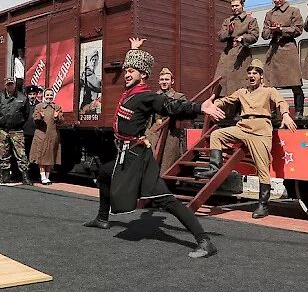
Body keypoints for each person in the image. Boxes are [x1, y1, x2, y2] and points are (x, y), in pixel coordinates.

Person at [83, 38, 226, 259]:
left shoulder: (146, 96)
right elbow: (131, 68)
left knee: (164, 199)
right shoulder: (129, 91)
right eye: (126, 70)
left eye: (132, 71)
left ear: (144, 75)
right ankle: (103, 218)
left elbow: (171, 106)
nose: (127, 74)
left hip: (138, 157)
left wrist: (199, 107)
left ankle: (204, 241)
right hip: (125, 154)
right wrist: (133, 51)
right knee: (103, 172)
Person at [203, 59, 297, 218]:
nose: (252, 76)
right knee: (217, 134)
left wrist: (286, 115)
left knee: (262, 168)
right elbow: (227, 100)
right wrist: (213, 104)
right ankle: (214, 167)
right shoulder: (242, 92)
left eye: (255, 73)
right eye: (250, 73)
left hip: (260, 129)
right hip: (243, 126)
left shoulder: (269, 91)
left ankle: (263, 205)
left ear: (261, 76)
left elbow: (281, 102)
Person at [262, 0, 305, 118]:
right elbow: (264, 34)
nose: (277, 0)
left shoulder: (294, 11)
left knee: (295, 83)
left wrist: (282, 30)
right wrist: (271, 30)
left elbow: (298, 29)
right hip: (274, 51)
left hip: (288, 50)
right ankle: (273, 113)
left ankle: (299, 112)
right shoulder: (269, 14)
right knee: (270, 85)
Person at [214, 0, 259, 96]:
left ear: (242, 5)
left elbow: (254, 36)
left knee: (240, 84)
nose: (234, 8)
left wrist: (243, 38)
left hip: (242, 56)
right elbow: (220, 36)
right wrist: (229, 32)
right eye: (232, 6)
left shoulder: (250, 21)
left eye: (237, 5)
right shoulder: (227, 21)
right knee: (222, 83)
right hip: (227, 55)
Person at [145, 68, 187, 173]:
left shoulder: (178, 96)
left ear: (172, 81)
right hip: (155, 131)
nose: (164, 82)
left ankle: (165, 184)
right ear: (159, 82)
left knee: (167, 162)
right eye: (162, 80)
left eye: (167, 80)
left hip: (170, 132)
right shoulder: (154, 96)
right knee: (150, 157)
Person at [0, 77, 32, 184]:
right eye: (8, 84)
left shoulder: (22, 98)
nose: (10, 86)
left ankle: (25, 176)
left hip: (17, 130)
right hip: (2, 129)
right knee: (3, 154)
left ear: (14, 85)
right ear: (5, 85)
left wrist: (19, 123)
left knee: (21, 154)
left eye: (11, 84)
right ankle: (5, 175)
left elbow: (26, 114)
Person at [29, 88, 63, 184]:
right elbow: (35, 119)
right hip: (41, 134)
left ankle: (48, 177)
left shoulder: (57, 107)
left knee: (50, 156)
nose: (49, 97)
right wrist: (40, 116)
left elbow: (61, 121)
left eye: (51, 95)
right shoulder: (39, 106)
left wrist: (57, 117)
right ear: (44, 96)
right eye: (47, 95)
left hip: (53, 135)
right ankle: (43, 177)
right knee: (42, 156)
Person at [22, 84, 41, 161]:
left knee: (35, 155)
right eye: (30, 94)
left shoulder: (40, 105)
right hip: (25, 133)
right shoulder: (23, 105)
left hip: (36, 133)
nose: (32, 96)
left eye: (34, 94)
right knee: (25, 154)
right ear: (27, 95)